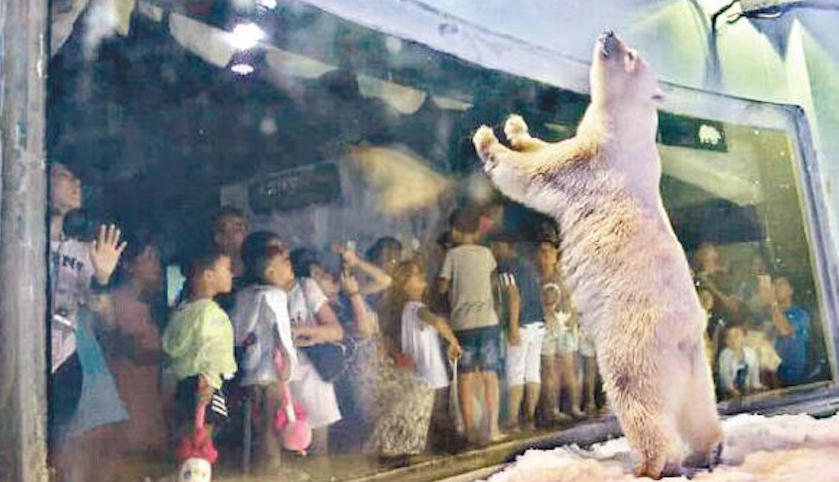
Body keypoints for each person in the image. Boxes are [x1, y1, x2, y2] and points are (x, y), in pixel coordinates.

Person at [48, 163, 128, 481]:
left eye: (78, 177)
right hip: (18, 359)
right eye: (64, 175)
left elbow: (106, 319)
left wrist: (103, 279)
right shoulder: (15, 246)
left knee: (62, 448)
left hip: (65, 362)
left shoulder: (86, 252)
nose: (76, 183)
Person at [230, 232, 297, 470]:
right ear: (271, 272)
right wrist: (287, 364)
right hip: (271, 371)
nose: (291, 270)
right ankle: (272, 470)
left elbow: (238, 332)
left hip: (251, 370)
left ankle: (256, 467)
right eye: (286, 264)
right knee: (270, 425)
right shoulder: (275, 296)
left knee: (258, 425)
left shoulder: (244, 295)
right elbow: (282, 334)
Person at [437, 207, 503, 443]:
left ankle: (470, 430)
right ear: (476, 231)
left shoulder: (452, 256)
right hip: (488, 322)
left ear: (455, 231)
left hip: (462, 325)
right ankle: (493, 429)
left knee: (465, 378)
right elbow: (494, 283)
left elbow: (442, 287)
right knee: (489, 376)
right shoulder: (486, 254)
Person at [98, 234, 168, 457]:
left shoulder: (145, 304)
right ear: (128, 266)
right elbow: (130, 350)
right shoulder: (119, 302)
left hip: (145, 399)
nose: (156, 265)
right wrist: (175, 358)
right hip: (127, 400)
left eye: (156, 258)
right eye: (148, 258)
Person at [162, 249, 237, 444]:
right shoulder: (211, 313)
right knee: (201, 441)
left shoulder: (181, 310)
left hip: (181, 384)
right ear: (209, 276)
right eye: (227, 269)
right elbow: (212, 351)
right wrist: (210, 381)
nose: (232, 274)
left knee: (184, 440)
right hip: (205, 384)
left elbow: (168, 350)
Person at [391, 259, 462, 451]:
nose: (421, 276)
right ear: (406, 284)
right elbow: (437, 322)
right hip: (433, 377)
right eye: (415, 275)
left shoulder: (406, 310)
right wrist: (453, 342)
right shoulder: (417, 308)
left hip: (420, 377)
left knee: (427, 421)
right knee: (441, 419)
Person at [288, 248, 346, 455]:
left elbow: (336, 331)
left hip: (313, 374)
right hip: (286, 378)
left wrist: (302, 332)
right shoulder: (264, 294)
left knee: (317, 445)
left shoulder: (305, 288)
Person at [490, 232, 544, 432]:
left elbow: (513, 296)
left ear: (505, 245)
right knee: (532, 371)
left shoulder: (506, 267)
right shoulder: (527, 265)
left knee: (515, 372)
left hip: (521, 324)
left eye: (496, 245)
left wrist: (512, 326)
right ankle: (530, 417)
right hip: (538, 323)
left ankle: (512, 419)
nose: (493, 250)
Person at [537, 240, 584, 422]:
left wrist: (574, 318)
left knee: (569, 368)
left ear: (556, 255)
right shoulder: (537, 279)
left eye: (549, 252)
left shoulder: (563, 278)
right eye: (542, 252)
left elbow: (573, 299)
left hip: (565, 327)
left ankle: (574, 407)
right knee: (549, 370)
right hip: (546, 330)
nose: (545, 256)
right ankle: (553, 410)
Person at [761, 275, 812, 386]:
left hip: (797, 379)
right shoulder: (767, 315)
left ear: (791, 291)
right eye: (774, 285)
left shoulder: (801, 314)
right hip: (774, 379)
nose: (777, 287)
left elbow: (784, 329)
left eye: (782, 284)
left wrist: (773, 303)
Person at [718, 326, 763, 397]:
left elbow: (754, 374)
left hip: (748, 391)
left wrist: (757, 386)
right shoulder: (725, 355)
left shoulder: (751, 353)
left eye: (736, 336)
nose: (732, 340)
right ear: (725, 340)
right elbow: (725, 376)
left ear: (744, 337)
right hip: (729, 393)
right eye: (729, 337)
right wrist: (732, 390)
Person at [211, 206, 248, 278]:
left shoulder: (255, 268)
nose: (244, 232)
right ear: (220, 238)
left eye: (245, 228)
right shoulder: (214, 276)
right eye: (238, 229)